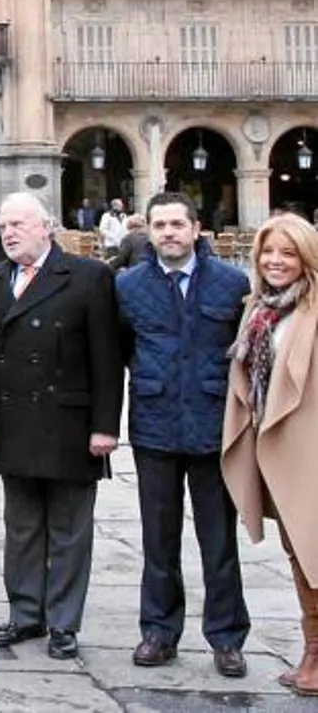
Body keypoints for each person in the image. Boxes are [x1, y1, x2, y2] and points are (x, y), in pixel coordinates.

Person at [0, 192, 123, 660]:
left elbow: (108, 357)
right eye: (3, 227)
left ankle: (63, 622)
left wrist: (106, 426)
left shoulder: (88, 276)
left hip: (70, 424)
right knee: (20, 527)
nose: (9, 233)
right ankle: (25, 614)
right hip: (13, 421)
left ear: (47, 227)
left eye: (18, 224)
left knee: (68, 530)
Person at [119, 192, 250, 677]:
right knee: (158, 538)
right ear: (148, 232)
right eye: (160, 225)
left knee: (219, 541)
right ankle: (158, 631)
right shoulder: (128, 285)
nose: (169, 233)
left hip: (214, 427)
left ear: (197, 229)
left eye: (178, 224)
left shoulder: (232, 283)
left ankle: (227, 638)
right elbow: (118, 352)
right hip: (154, 426)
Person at [221, 214, 318, 696]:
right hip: (275, 450)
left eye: (288, 253)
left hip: (309, 451)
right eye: (268, 252)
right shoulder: (260, 309)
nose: (276, 261)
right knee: (298, 555)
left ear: (307, 260)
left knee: (313, 553)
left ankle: (316, 659)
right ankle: (312, 651)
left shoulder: (313, 309)